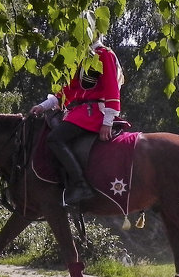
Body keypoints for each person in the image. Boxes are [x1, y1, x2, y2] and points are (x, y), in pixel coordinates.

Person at [30, 36, 123, 212]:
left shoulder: (104, 54)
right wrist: (43, 106)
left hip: (94, 112)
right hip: (80, 112)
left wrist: (108, 121)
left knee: (55, 139)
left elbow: (112, 89)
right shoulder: (83, 57)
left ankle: (81, 186)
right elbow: (69, 90)